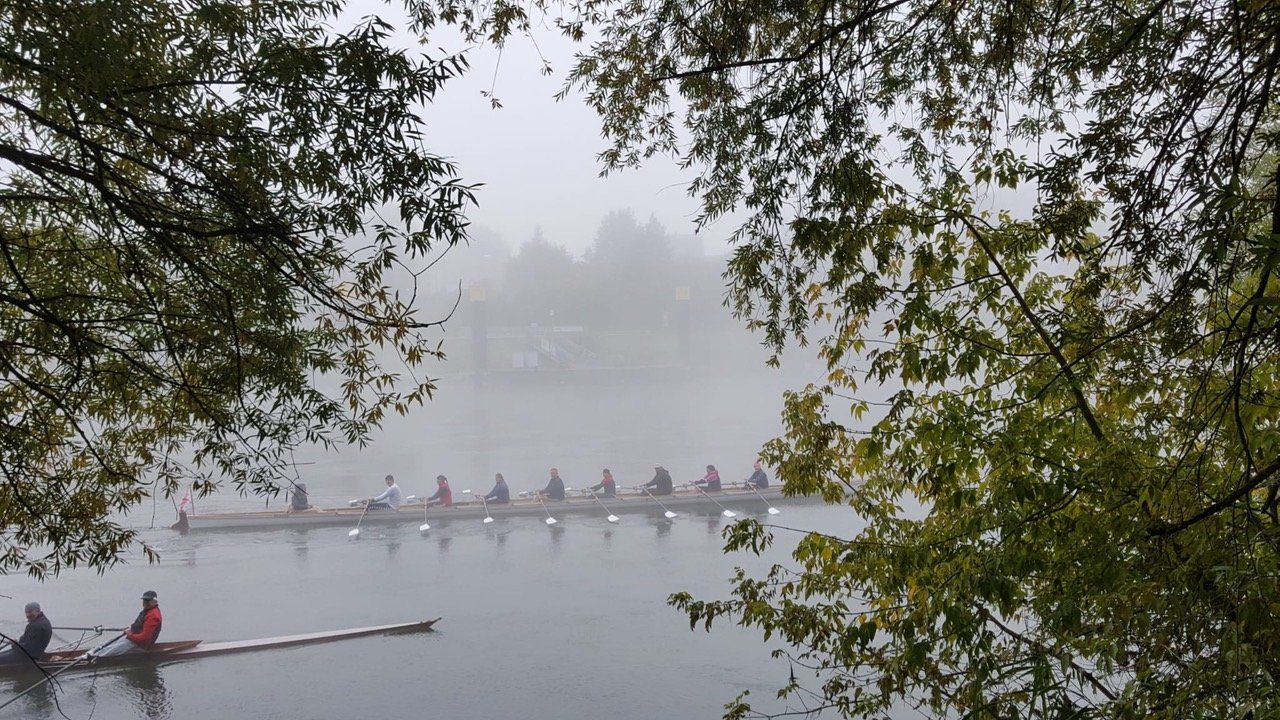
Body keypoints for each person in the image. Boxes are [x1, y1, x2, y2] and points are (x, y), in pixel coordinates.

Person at [93, 591, 162, 658]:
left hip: (140, 644)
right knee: (105, 645)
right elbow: (138, 625)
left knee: (107, 652)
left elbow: (144, 638)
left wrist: (129, 634)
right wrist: (130, 629)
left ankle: (95, 658)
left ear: (155, 601)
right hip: (133, 638)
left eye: (148, 601)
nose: (145, 603)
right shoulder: (148, 610)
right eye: (144, 600)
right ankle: (91, 654)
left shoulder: (153, 616)